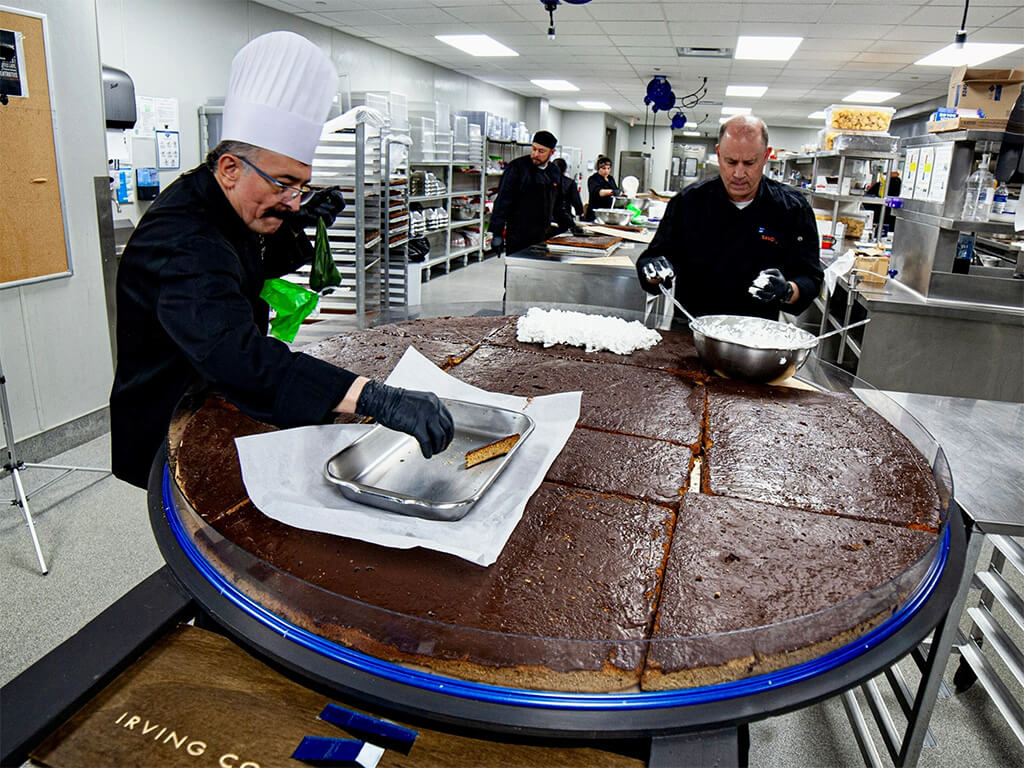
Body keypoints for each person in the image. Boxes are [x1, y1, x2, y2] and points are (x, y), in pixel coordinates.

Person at [109, 31, 454, 489]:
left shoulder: (222, 198)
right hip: (169, 415)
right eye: (284, 183)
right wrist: (374, 397)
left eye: (301, 187)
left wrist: (300, 216)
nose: (293, 200)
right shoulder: (184, 240)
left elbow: (252, 267)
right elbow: (237, 356)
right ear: (231, 168)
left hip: (215, 393)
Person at [635, 115, 823, 322]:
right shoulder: (689, 202)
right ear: (718, 154)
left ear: (766, 156)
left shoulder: (792, 208)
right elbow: (653, 258)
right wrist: (652, 271)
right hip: (691, 330)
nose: (739, 173)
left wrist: (787, 290)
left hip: (756, 336)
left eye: (750, 162)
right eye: (730, 161)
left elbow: (810, 277)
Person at [488, 130, 576, 254]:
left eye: (541, 151)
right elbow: (503, 201)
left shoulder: (554, 172)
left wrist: (571, 225)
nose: (535, 154)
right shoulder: (517, 168)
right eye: (534, 149)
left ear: (552, 152)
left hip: (543, 234)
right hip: (518, 235)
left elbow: (558, 204)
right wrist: (497, 233)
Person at [584, 156, 619, 221]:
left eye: (608, 168)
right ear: (598, 168)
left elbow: (616, 190)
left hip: (608, 211)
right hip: (596, 213)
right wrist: (612, 192)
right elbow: (599, 192)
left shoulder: (610, 179)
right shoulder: (593, 179)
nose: (606, 171)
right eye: (604, 168)